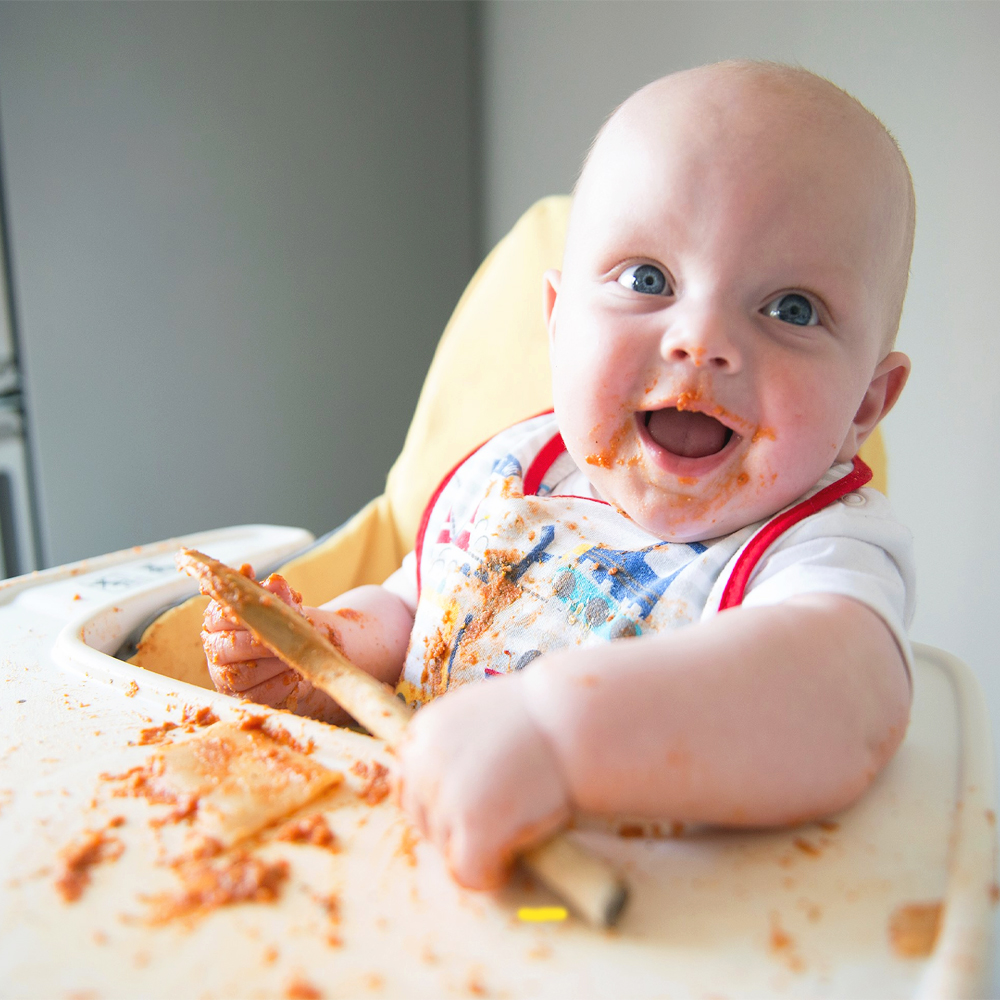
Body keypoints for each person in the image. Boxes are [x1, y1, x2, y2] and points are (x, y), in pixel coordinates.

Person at [202, 61, 916, 892]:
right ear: (556, 324)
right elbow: (415, 603)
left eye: (791, 307)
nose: (700, 339)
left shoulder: (814, 555)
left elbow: (837, 701)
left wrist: (560, 735)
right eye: (648, 279)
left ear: (866, 403)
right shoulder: (522, 479)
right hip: (394, 875)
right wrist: (328, 649)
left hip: (616, 927)